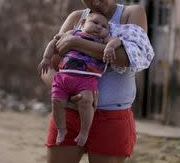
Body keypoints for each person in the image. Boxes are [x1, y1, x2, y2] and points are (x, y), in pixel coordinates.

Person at [41, 0, 154, 163]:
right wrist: (67, 93)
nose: (96, 2)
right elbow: (50, 66)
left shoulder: (131, 15)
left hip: (111, 119)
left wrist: (77, 44)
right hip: (69, 115)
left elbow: (126, 58)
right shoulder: (76, 19)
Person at [38, 12, 122, 147]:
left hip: (87, 79)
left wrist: (110, 46)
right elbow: (54, 42)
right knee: (57, 102)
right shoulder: (73, 33)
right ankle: (61, 129)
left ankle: (84, 132)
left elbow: (117, 40)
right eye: (95, 23)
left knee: (87, 101)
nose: (99, 27)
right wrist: (46, 58)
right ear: (83, 23)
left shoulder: (103, 40)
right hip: (64, 77)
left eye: (104, 26)